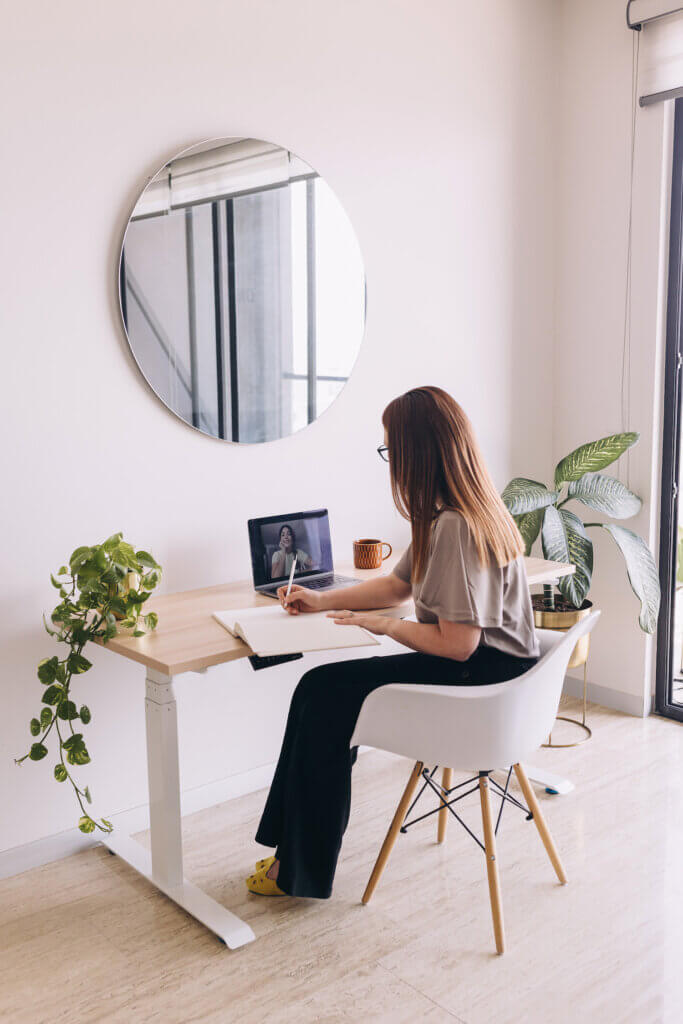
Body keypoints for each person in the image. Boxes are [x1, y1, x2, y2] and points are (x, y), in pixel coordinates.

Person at [246, 386, 539, 898]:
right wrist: (319, 600)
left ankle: (298, 868)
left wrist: (382, 627)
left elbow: (457, 645)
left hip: (481, 681)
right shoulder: (458, 512)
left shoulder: (457, 527)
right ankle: (290, 853)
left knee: (323, 700)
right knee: (316, 690)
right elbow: (398, 586)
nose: (390, 463)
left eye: (391, 451)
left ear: (417, 454)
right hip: (503, 674)